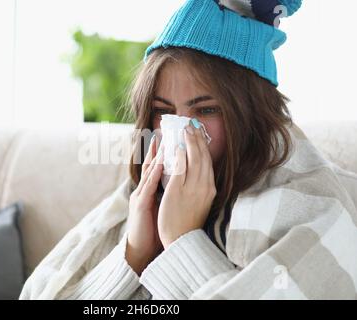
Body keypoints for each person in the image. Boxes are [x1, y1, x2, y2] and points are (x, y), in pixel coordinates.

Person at [20, 0, 357, 299]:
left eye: (206, 110)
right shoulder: (144, 194)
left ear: (252, 113)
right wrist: (135, 253)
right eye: (163, 112)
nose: (179, 131)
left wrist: (181, 239)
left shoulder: (312, 201)